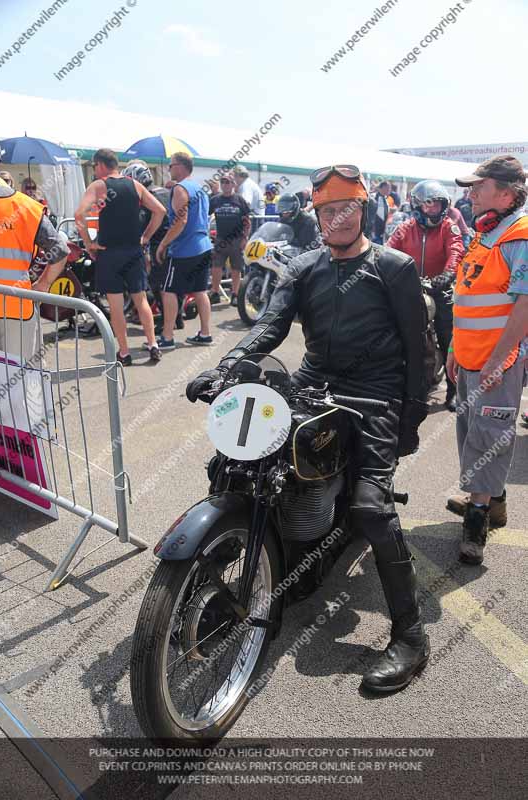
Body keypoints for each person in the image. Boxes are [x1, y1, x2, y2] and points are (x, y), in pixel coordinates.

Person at [187, 164, 430, 693]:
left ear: (362, 209)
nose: (336, 217)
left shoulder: (395, 267)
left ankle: (411, 635)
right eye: (327, 210)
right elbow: (270, 324)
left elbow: (420, 349)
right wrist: (228, 365)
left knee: (371, 508)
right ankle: (263, 576)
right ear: (315, 214)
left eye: (346, 207)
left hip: (376, 394)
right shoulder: (302, 266)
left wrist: (409, 416)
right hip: (313, 382)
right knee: (244, 466)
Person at [446, 155, 528, 564]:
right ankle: (492, 504)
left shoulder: (520, 235)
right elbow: (470, 296)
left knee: (488, 440)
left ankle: (475, 526)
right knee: (470, 434)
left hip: (499, 361)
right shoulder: (486, 234)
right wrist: (453, 349)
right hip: (470, 357)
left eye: (479, 186)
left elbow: (524, 304)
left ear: (507, 193)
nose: (472, 193)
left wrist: (498, 359)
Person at [75, 148, 165, 365]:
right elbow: (160, 210)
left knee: (116, 305)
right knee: (140, 299)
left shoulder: (99, 186)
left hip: (109, 253)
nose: (94, 171)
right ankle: (153, 343)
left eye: (94, 167)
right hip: (134, 251)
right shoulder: (135, 185)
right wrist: (145, 237)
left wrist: (89, 243)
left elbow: (80, 214)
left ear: (100, 165)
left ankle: (124, 352)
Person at [387, 179, 465, 411]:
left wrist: (447, 275)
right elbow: (388, 251)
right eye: (428, 205)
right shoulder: (405, 228)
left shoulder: (448, 227)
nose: (433, 209)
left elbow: (456, 250)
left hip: (440, 290)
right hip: (410, 289)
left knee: (449, 336)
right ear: (417, 205)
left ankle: (453, 392)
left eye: (437, 205)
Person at [0, 175, 69, 360]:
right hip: (17, 306)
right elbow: (60, 250)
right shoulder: (27, 207)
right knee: (17, 378)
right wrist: (42, 286)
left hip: (17, 307)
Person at [156, 152, 213, 348]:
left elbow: (181, 221)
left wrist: (163, 244)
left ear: (180, 166)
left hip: (185, 249)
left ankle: (167, 337)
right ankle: (205, 334)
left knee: (169, 291)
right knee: (200, 291)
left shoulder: (180, 189)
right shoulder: (199, 188)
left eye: (170, 166)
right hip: (203, 246)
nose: (169, 169)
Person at [120, 162, 177, 335]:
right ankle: (176, 318)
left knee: (156, 283)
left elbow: (142, 220)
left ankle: (169, 322)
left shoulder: (147, 195)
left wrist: (139, 237)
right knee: (168, 283)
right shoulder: (165, 191)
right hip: (173, 240)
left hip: (159, 242)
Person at [208, 173, 251, 307]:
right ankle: (215, 293)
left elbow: (247, 221)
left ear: (233, 184)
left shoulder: (240, 200)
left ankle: (235, 294)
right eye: (223, 182)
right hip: (221, 239)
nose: (225, 185)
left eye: (228, 182)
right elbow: (205, 215)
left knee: (236, 268)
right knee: (216, 266)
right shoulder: (215, 200)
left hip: (236, 239)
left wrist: (245, 238)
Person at [367, 179, 391, 244]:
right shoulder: (373, 197)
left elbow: (384, 213)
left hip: (381, 231)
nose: (389, 190)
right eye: (388, 188)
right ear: (383, 187)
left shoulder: (385, 199)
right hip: (373, 231)